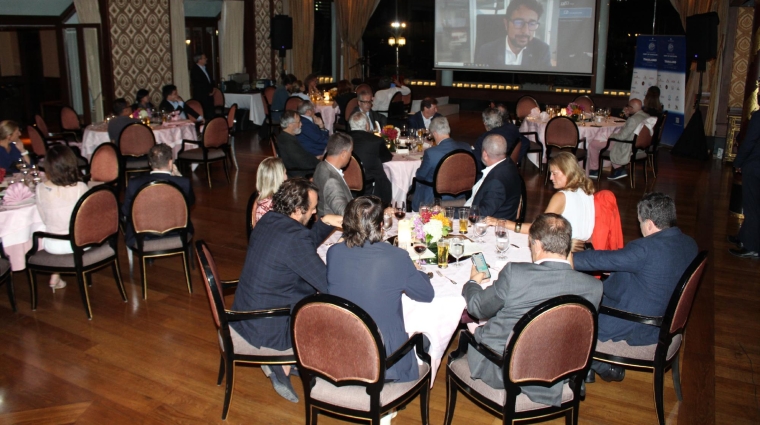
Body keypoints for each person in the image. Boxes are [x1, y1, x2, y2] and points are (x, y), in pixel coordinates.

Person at [462, 213, 602, 406]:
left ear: (536, 244)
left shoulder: (515, 274)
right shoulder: (594, 287)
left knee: (474, 328)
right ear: (567, 246)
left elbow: (477, 308)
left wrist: (472, 283)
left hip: (503, 369)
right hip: (560, 370)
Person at [231, 178, 343, 402]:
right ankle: (284, 365)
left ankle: (287, 362)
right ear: (298, 209)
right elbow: (327, 284)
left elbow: (297, 248)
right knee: (329, 310)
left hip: (245, 312)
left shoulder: (268, 219)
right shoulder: (295, 238)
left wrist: (325, 221)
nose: (313, 215)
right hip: (267, 325)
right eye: (312, 210)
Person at [573, 192, 698, 382]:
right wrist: (617, 269)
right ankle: (587, 369)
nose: (640, 228)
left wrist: (564, 258)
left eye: (640, 222)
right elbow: (657, 272)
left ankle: (600, 366)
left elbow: (597, 259)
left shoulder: (645, 249)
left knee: (571, 319)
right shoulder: (689, 244)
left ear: (649, 224)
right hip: (664, 316)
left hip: (640, 324)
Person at [327, 196, 434, 382]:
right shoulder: (397, 257)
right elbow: (426, 295)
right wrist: (419, 272)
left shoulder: (333, 252)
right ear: (380, 226)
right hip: (384, 358)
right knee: (427, 337)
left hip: (341, 347)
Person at [492, 152, 595, 246]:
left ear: (567, 172)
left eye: (554, 173)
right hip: (585, 250)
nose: (551, 178)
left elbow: (536, 229)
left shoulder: (562, 197)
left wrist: (501, 222)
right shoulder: (587, 192)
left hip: (566, 252)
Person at [35, 145, 89, 291]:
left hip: (53, 245)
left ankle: (55, 274)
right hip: (78, 242)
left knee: (46, 226)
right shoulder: (80, 187)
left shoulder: (40, 189)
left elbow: (44, 219)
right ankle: (57, 275)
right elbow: (86, 218)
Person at [121, 144, 195, 248]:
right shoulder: (183, 183)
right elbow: (190, 203)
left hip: (142, 237)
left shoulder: (134, 183)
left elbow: (126, 211)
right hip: (177, 233)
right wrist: (179, 176)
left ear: (150, 163)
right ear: (170, 162)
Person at [411, 117, 472, 210]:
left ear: (434, 133)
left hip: (435, 197)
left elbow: (420, 176)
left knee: (413, 185)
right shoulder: (466, 147)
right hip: (462, 194)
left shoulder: (431, 153)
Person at [474, 0, 551, 70]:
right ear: (506, 24)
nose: (525, 31)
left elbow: (544, 82)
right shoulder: (487, 51)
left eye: (532, 24)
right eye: (518, 22)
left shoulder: (542, 50)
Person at [587, 98, 649, 180]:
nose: (627, 108)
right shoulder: (646, 116)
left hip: (627, 146)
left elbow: (622, 137)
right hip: (637, 146)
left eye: (628, 106)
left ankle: (595, 170)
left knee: (593, 144)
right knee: (605, 141)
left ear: (631, 108)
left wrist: (611, 135)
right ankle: (618, 169)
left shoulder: (633, 120)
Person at [465, 134, 522, 220]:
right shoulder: (509, 164)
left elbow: (480, 214)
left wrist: (448, 211)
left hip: (488, 226)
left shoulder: (496, 182)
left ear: (485, 154)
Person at [729, 109, 760, 259]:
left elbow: (749, 142)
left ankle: (751, 246)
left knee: (752, 206)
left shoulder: (759, 116)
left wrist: (739, 162)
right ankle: (743, 237)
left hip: (755, 167)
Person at [347, 112, 393, 205]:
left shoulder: (341, 139)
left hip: (345, 180)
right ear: (367, 125)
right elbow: (387, 157)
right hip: (369, 183)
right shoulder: (375, 140)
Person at [472, 107, 529, 175]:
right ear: (500, 119)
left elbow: (476, 164)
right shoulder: (512, 128)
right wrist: (515, 162)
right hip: (507, 168)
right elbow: (526, 142)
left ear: (485, 123)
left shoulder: (485, 139)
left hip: (491, 174)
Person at [313, 133, 354, 216]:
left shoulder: (321, 165)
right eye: (351, 152)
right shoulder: (332, 181)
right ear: (344, 154)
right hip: (334, 226)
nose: (351, 155)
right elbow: (345, 214)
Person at [277, 111, 319, 178]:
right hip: (301, 174)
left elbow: (303, 156)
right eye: (299, 122)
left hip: (300, 169)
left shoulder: (285, 136)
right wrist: (320, 163)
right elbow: (305, 163)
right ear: (290, 124)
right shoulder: (288, 142)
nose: (301, 124)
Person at [253, 157, 287, 224]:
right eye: (285, 173)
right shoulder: (272, 206)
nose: (287, 176)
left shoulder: (261, 198)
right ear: (278, 178)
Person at [190, 53, 215, 119]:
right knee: (204, 113)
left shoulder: (206, 68)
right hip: (201, 95)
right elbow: (199, 84)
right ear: (199, 60)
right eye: (204, 58)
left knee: (210, 113)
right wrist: (208, 91)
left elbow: (210, 80)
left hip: (209, 95)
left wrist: (212, 89)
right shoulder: (195, 70)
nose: (206, 59)